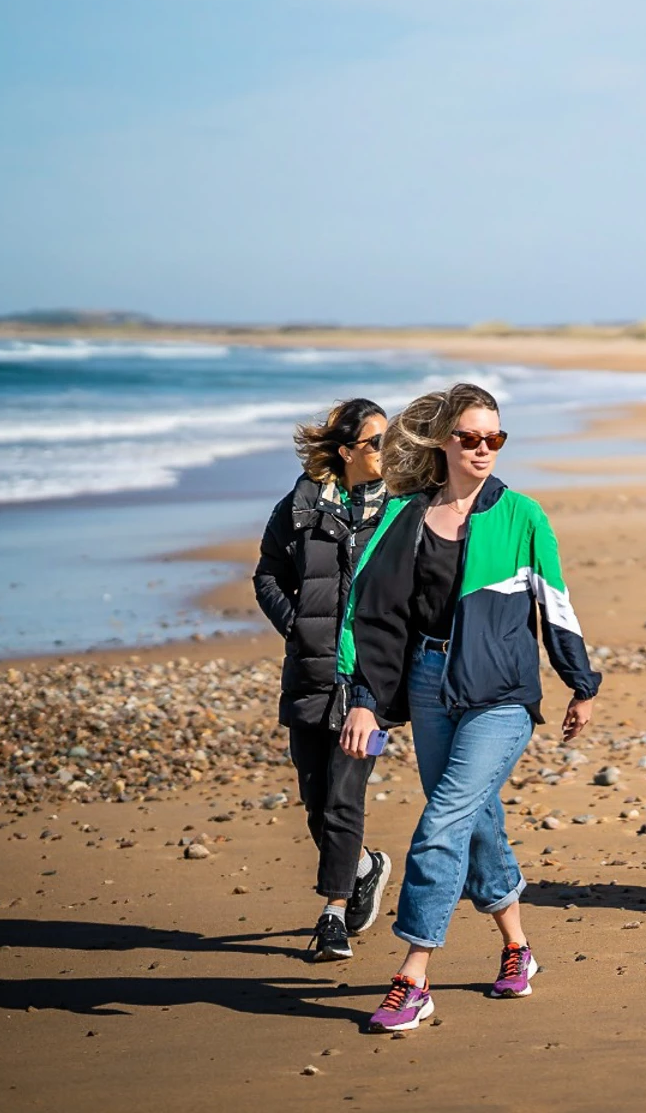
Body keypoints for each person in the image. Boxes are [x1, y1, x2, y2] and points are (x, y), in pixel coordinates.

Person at [337, 383, 602, 1032]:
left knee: (441, 822)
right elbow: (370, 614)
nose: (484, 449)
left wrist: (581, 682)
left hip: (502, 692)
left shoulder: (521, 516)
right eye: (471, 438)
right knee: (475, 818)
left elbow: (554, 603)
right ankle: (517, 946)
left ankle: (412, 974)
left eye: (495, 438)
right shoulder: (406, 517)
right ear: (444, 442)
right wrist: (365, 701)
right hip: (429, 684)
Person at [252, 397, 394, 962]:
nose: (387, 452)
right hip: (309, 675)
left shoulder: (402, 511)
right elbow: (267, 575)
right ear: (345, 452)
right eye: (375, 442)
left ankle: (332, 915)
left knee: (342, 798)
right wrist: (298, 629)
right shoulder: (301, 504)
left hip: (371, 689)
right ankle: (363, 866)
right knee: (314, 799)